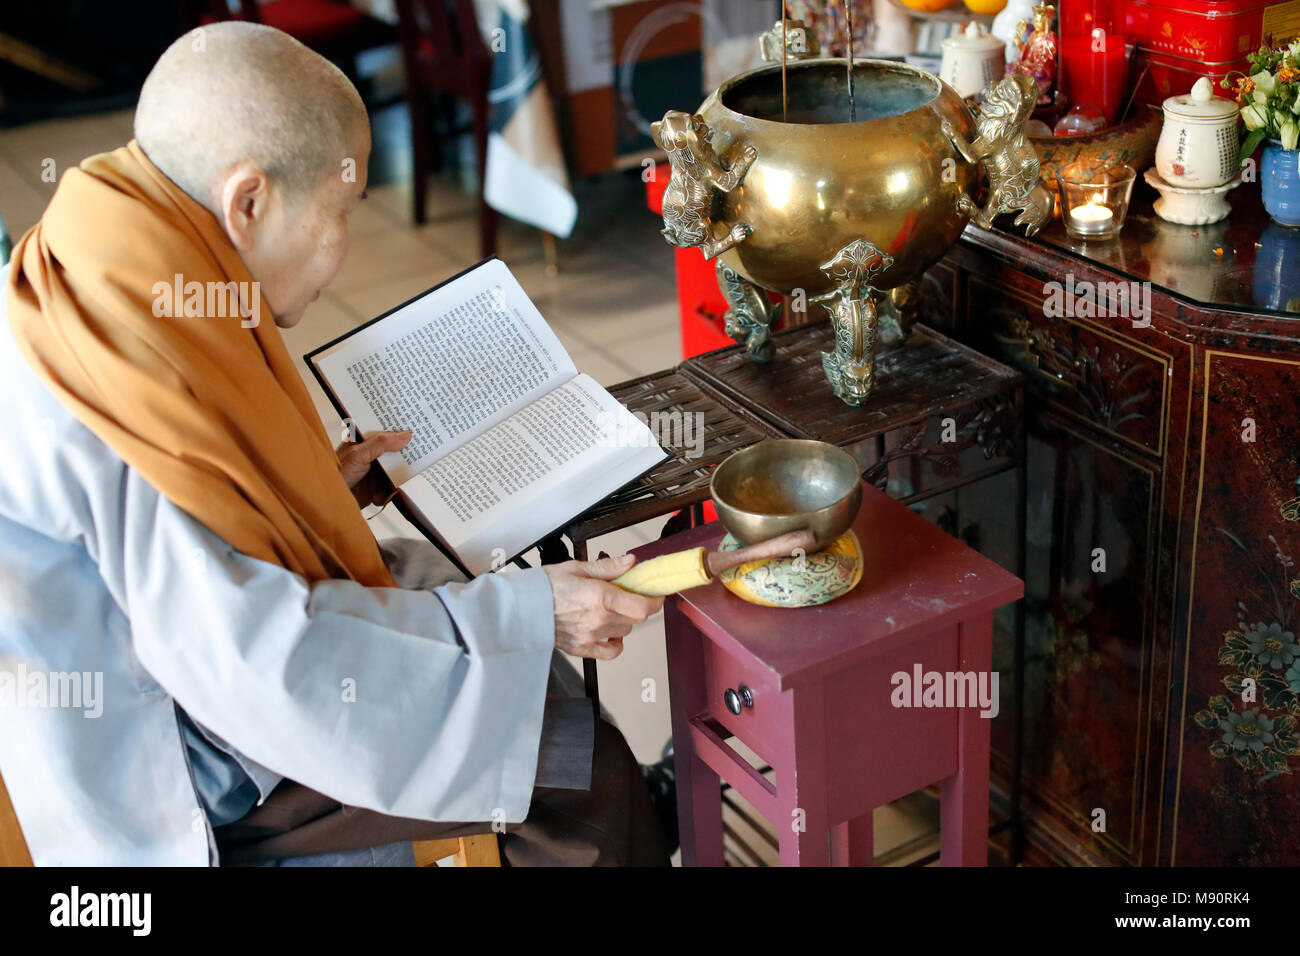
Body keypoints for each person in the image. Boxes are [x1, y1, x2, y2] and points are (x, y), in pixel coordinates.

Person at [0, 21, 668, 866]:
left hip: (186, 661)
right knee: (569, 752)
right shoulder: (128, 367)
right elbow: (259, 667)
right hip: (180, 747)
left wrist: (308, 487)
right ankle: (643, 820)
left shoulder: (121, 238)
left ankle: (641, 811)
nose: (344, 247)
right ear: (249, 201)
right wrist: (534, 610)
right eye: (342, 209)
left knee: (485, 630)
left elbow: (209, 511)